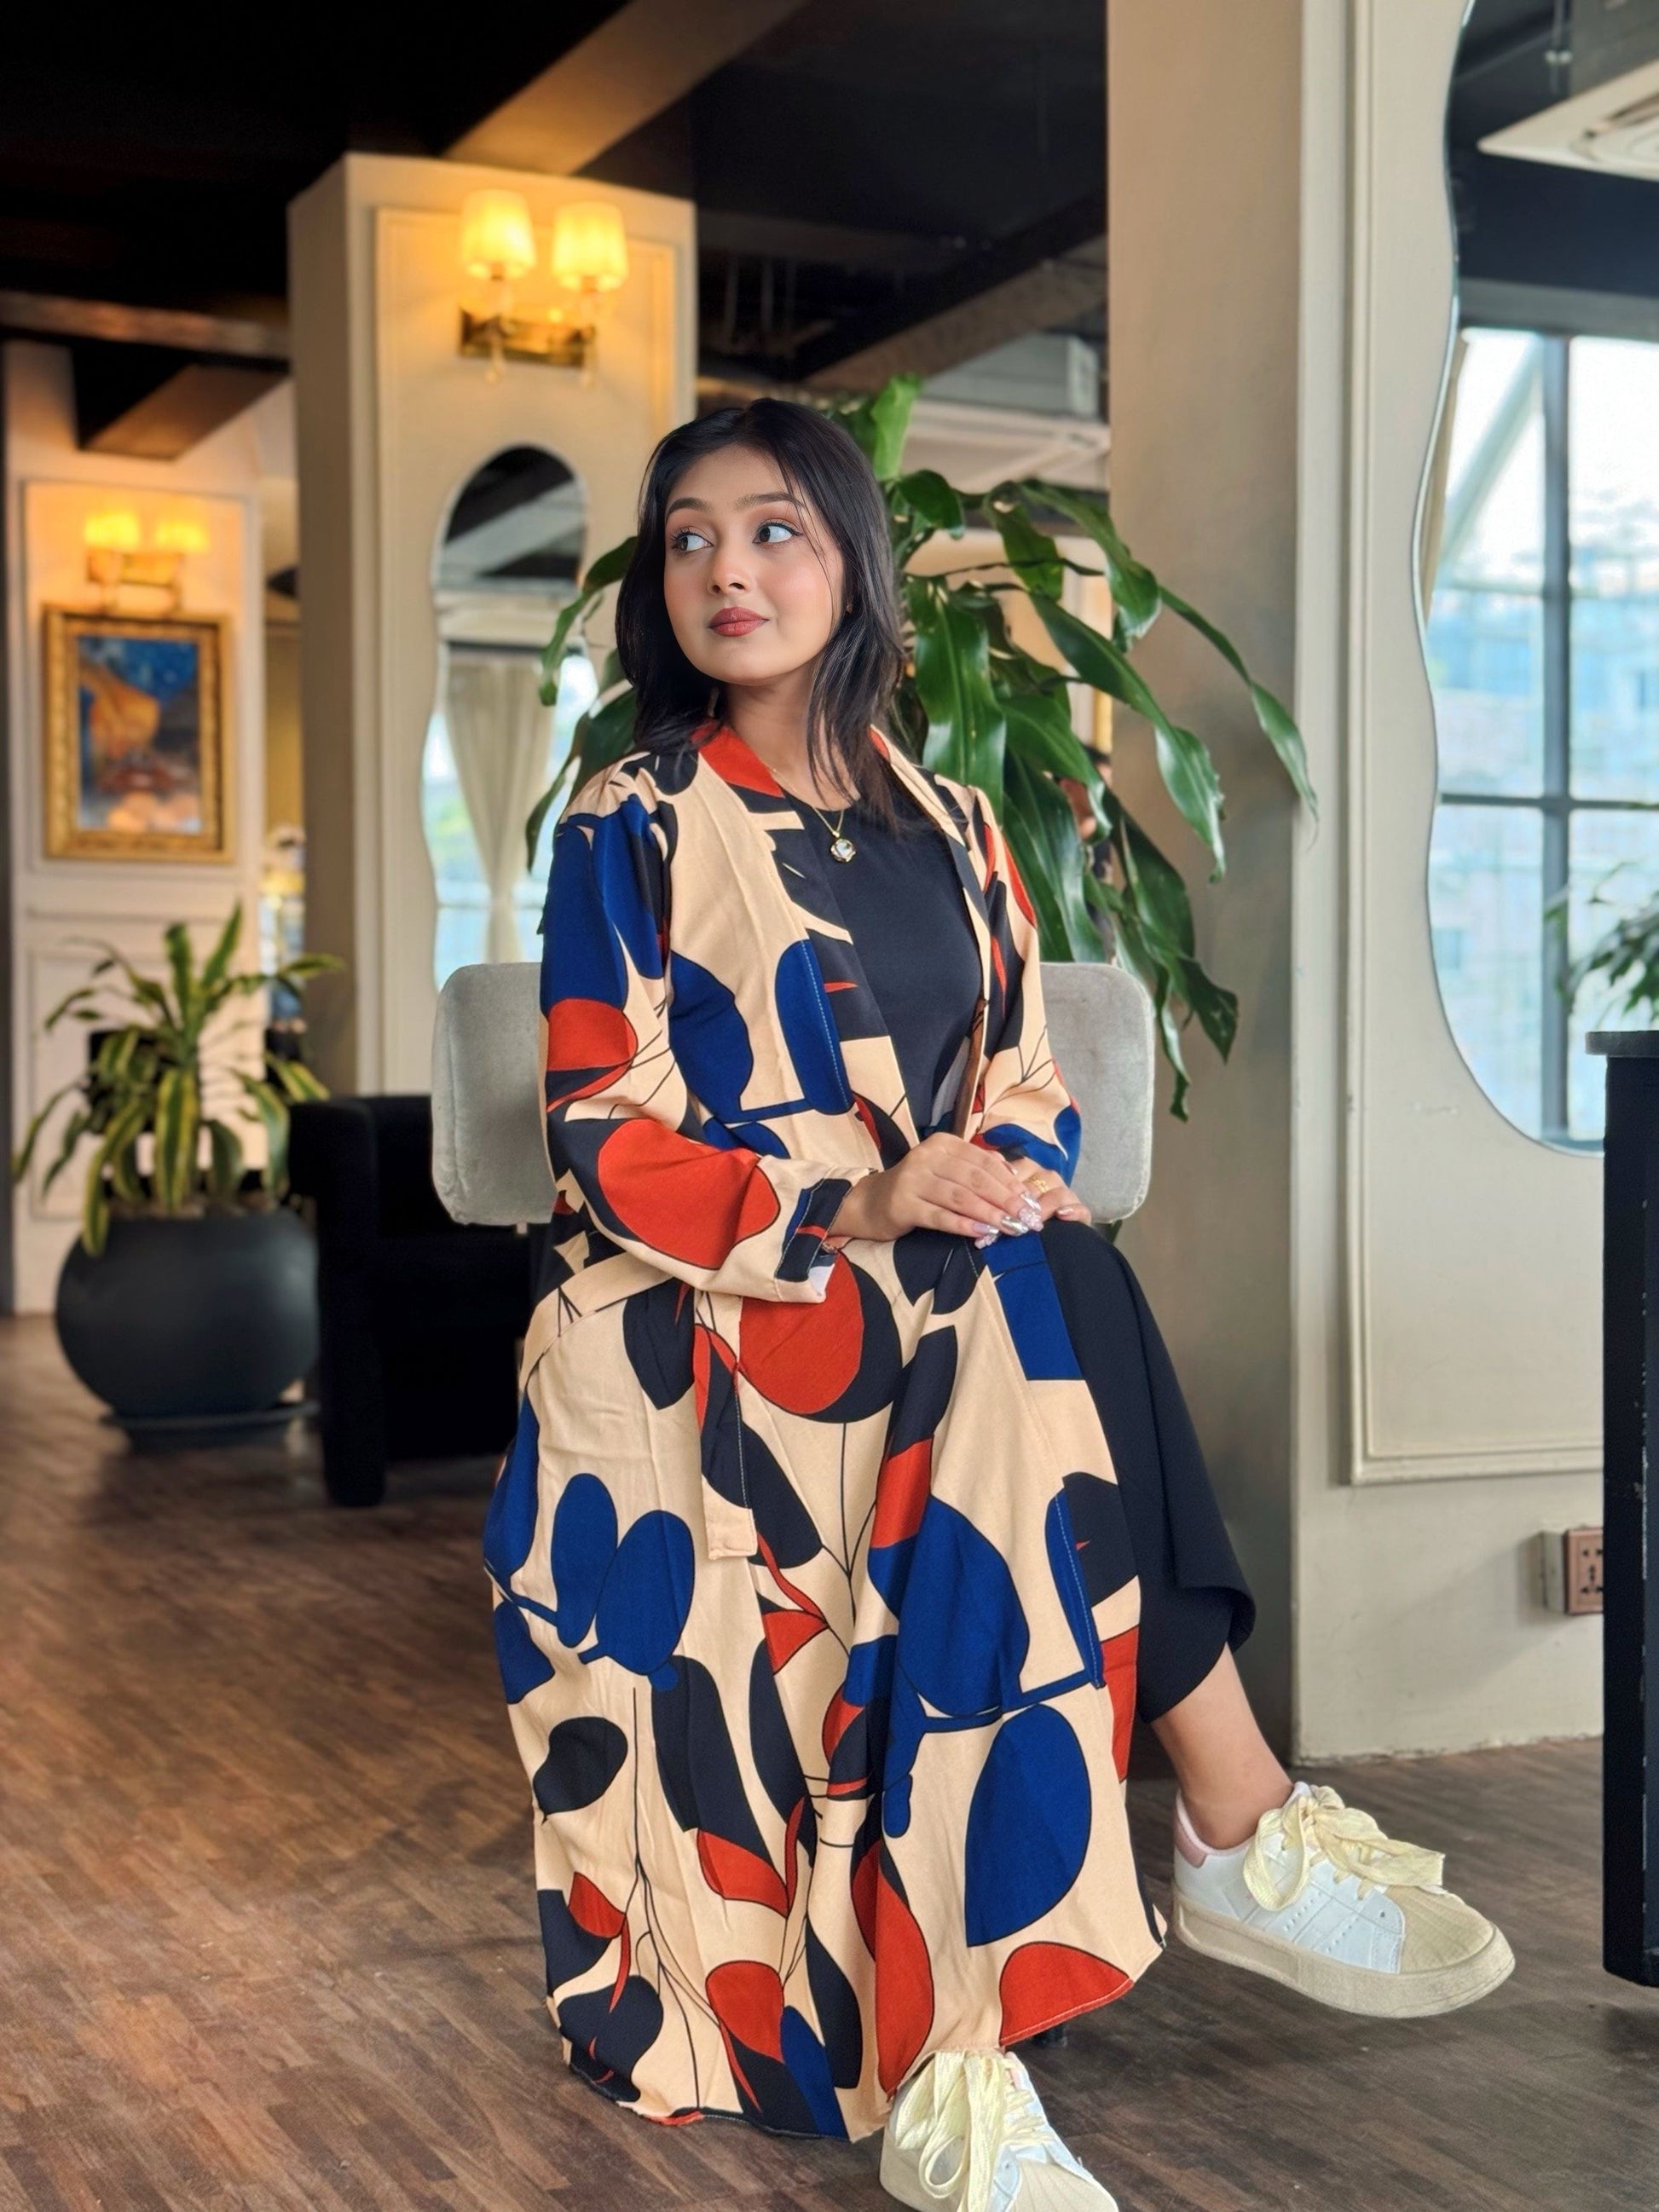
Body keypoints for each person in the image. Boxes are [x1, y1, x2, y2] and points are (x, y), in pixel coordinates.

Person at [484, 398, 1514, 2211]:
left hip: (932, 1276)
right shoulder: (628, 826)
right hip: (718, 1291)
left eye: (777, 528)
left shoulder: (956, 819)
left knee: (1023, 1276)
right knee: (1025, 1295)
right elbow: (596, 1124)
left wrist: (991, 1169)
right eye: (692, 538)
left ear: (854, 561)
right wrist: (861, 1197)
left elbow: (1024, 1069)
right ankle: (1227, 1816)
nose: (729, 568)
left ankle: (976, 2041)